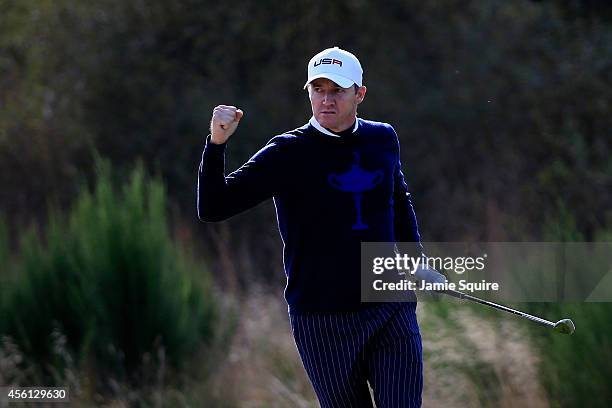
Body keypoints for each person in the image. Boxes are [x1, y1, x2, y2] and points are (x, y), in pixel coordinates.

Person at [198, 46, 424, 407]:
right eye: (318, 90)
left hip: (388, 304)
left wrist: (415, 260)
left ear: (359, 94)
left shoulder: (382, 139)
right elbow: (213, 207)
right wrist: (217, 143)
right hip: (322, 320)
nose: (326, 100)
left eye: (337, 91)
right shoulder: (287, 153)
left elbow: (399, 199)